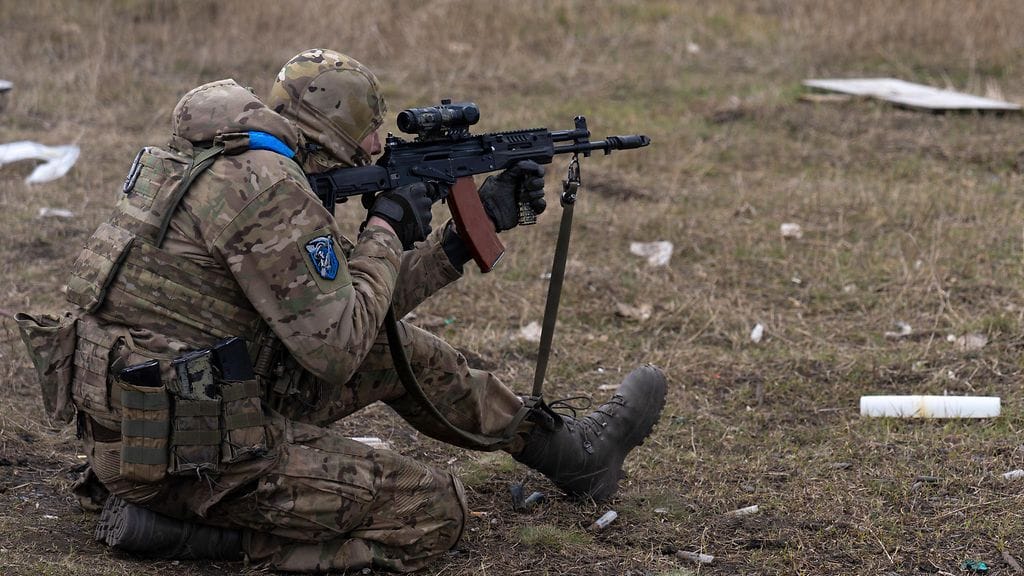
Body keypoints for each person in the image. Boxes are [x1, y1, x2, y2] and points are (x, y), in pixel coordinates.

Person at [19, 48, 666, 572]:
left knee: (403, 352)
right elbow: (336, 347)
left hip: (154, 425)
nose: (376, 146)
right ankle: (185, 532)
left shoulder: (215, 160)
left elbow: (339, 309)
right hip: (189, 454)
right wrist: (386, 228)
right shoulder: (269, 192)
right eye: (368, 132)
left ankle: (573, 455)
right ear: (334, 134)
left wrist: (461, 239)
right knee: (433, 512)